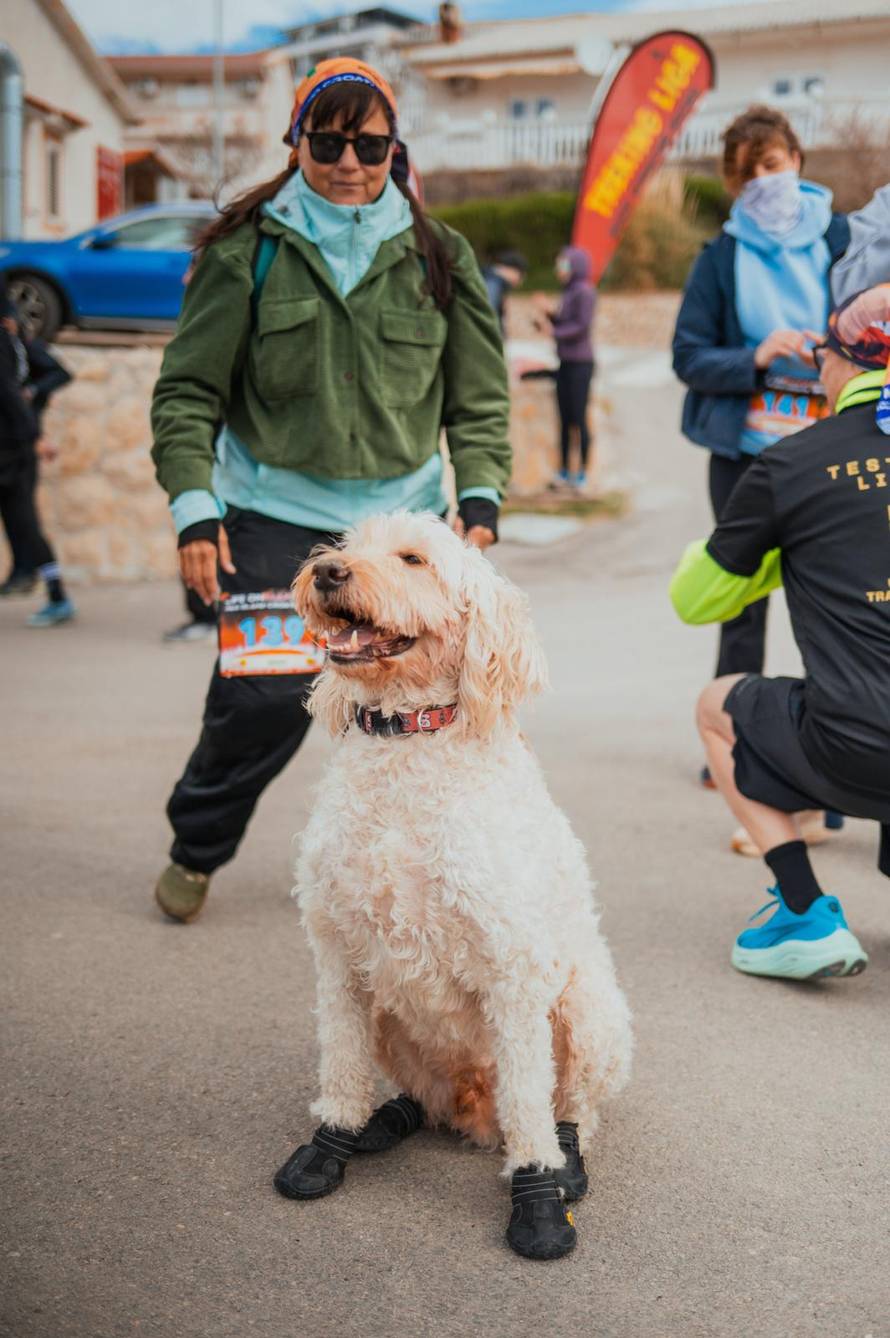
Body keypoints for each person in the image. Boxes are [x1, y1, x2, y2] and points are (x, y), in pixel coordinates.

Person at [150, 57, 511, 923]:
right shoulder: (247, 251)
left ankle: (415, 870)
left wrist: (484, 494)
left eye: (371, 144)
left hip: (400, 514)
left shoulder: (439, 254)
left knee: (421, 693)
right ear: (297, 141)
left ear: (395, 149)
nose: (350, 161)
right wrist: (194, 509)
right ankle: (197, 846)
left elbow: (480, 394)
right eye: (329, 140)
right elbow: (188, 391)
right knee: (266, 694)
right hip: (275, 509)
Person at [670, 283, 890, 981]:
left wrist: (787, 555)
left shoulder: (793, 465)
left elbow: (697, 600)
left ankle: (805, 911)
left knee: (717, 706)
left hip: (853, 753)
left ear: (839, 364)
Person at [672, 105, 850, 797]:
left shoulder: (846, 238)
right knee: (740, 604)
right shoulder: (719, 257)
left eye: (770, 166)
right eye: (745, 175)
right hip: (747, 457)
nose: (761, 183)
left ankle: (837, 751)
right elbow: (688, 356)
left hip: (834, 450)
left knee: (833, 603)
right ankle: (739, 745)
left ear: (798, 160)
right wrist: (754, 356)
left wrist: (838, 351)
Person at [0, 297, 75, 626]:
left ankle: (56, 593)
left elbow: (9, 394)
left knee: (25, 522)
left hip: (14, 449)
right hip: (15, 444)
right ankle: (28, 576)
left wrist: (34, 434)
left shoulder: (14, 343)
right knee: (20, 522)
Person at [533, 247, 596, 489]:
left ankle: (582, 472)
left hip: (581, 364)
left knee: (579, 419)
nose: (560, 270)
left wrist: (554, 331)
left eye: (564, 265)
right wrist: (548, 313)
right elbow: (564, 322)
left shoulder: (585, 291)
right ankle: (563, 470)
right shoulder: (568, 292)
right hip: (565, 363)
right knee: (564, 419)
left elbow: (581, 326)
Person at [480, 248, 527, 338]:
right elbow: (488, 315)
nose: (520, 281)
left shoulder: (490, 280)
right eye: (521, 275)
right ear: (513, 270)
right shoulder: (493, 284)